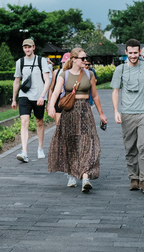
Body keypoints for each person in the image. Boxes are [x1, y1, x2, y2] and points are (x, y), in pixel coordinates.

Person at [47, 48, 107, 193]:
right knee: (71, 143)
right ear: (74, 59)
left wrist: (101, 114)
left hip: (85, 111)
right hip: (69, 112)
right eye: (82, 58)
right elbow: (56, 92)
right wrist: (50, 106)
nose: (85, 60)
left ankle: (85, 177)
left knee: (88, 142)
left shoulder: (89, 74)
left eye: (86, 58)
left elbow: (95, 95)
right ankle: (72, 173)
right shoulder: (64, 74)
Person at [110, 39, 144, 194]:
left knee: (143, 146)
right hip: (127, 114)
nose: (133, 56)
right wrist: (115, 111)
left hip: (143, 113)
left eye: (136, 53)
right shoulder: (120, 70)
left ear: (140, 52)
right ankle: (134, 178)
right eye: (130, 53)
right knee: (130, 148)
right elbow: (115, 91)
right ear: (126, 52)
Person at [12, 39, 50, 163]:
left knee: (39, 121)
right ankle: (24, 152)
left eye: (29, 47)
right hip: (24, 95)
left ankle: (40, 148)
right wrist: (14, 98)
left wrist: (43, 96)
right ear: (23, 48)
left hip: (39, 96)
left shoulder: (41, 61)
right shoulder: (20, 62)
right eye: (25, 47)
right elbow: (17, 80)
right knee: (24, 121)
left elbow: (47, 80)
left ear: (33, 47)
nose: (27, 49)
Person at [47, 53, 69, 125]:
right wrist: (49, 103)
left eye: (66, 62)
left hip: (69, 99)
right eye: (63, 62)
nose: (65, 64)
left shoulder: (74, 73)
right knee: (59, 125)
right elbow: (51, 88)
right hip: (58, 99)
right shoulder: (57, 72)